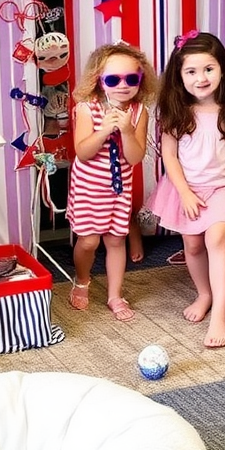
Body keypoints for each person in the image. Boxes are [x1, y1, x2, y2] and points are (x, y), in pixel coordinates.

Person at [150, 31, 225, 348]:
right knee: (193, 246)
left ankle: (220, 314)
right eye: (191, 71)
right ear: (179, 77)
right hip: (188, 188)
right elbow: (169, 155)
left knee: (216, 238)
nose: (201, 78)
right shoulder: (175, 112)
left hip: (223, 186)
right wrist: (183, 192)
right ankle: (204, 294)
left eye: (208, 69)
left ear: (222, 69)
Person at [66, 41, 158, 322]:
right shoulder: (87, 108)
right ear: (99, 79)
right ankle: (82, 280)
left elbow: (134, 157)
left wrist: (128, 131)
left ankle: (115, 294)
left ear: (140, 81)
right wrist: (104, 130)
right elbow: (82, 152)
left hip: (119, 190)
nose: (123, 85)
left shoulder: (139, 112)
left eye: (131, 79)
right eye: (113, 79)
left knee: (116, 240)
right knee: (89, 241)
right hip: (88, 189)